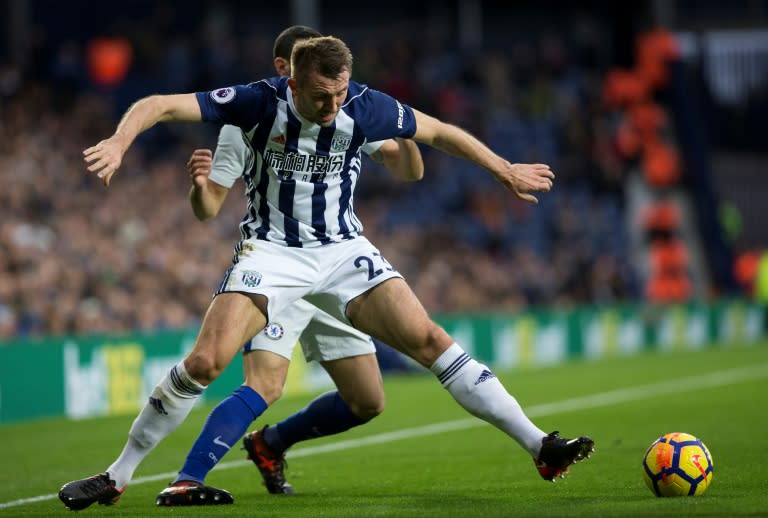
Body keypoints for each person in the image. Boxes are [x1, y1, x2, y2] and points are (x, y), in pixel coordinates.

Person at [59, 35, 594, 510]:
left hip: (342, 250)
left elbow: (438, 133)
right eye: (320, 95)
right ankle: (117, 475)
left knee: (425, 344)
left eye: (339, 93)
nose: (332, 105)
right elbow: (157, 105)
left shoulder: (363, 106)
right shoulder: (254, 104)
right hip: (272, 253)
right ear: (290, 80)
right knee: (205, 361)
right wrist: (118, 142)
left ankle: (540, 446)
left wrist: (503, 170)